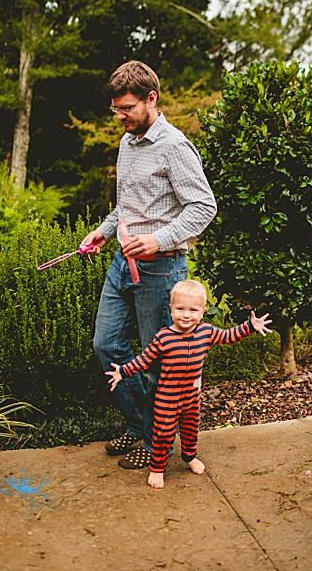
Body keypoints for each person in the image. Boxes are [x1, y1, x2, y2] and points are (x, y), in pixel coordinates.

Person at [81, 60, 218, 471]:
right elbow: (127, 204)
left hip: (162, 269)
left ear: (151, 99)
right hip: (123, 262)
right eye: (116, 109)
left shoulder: (174, 147)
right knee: (106, 346)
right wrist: (104, 231)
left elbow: (203, 207)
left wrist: (158, 239)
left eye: (126, 108)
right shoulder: (128, 143)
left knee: (157, 360)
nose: (120, 116)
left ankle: (157, 441)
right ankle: (140, 423)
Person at [105, 280, 271, 488]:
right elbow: (145, 359)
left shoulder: (206, 332)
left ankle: (190, 457)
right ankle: (157, 468)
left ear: (202, 312)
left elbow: (229, 336)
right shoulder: (164, 337)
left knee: (191, 429)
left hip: (192, 396)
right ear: (171, 309)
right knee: (163, 433)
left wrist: (249, 326)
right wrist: (123, 371)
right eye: (180, 308)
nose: (186, 315)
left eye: (193, 310)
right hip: (167, 398)